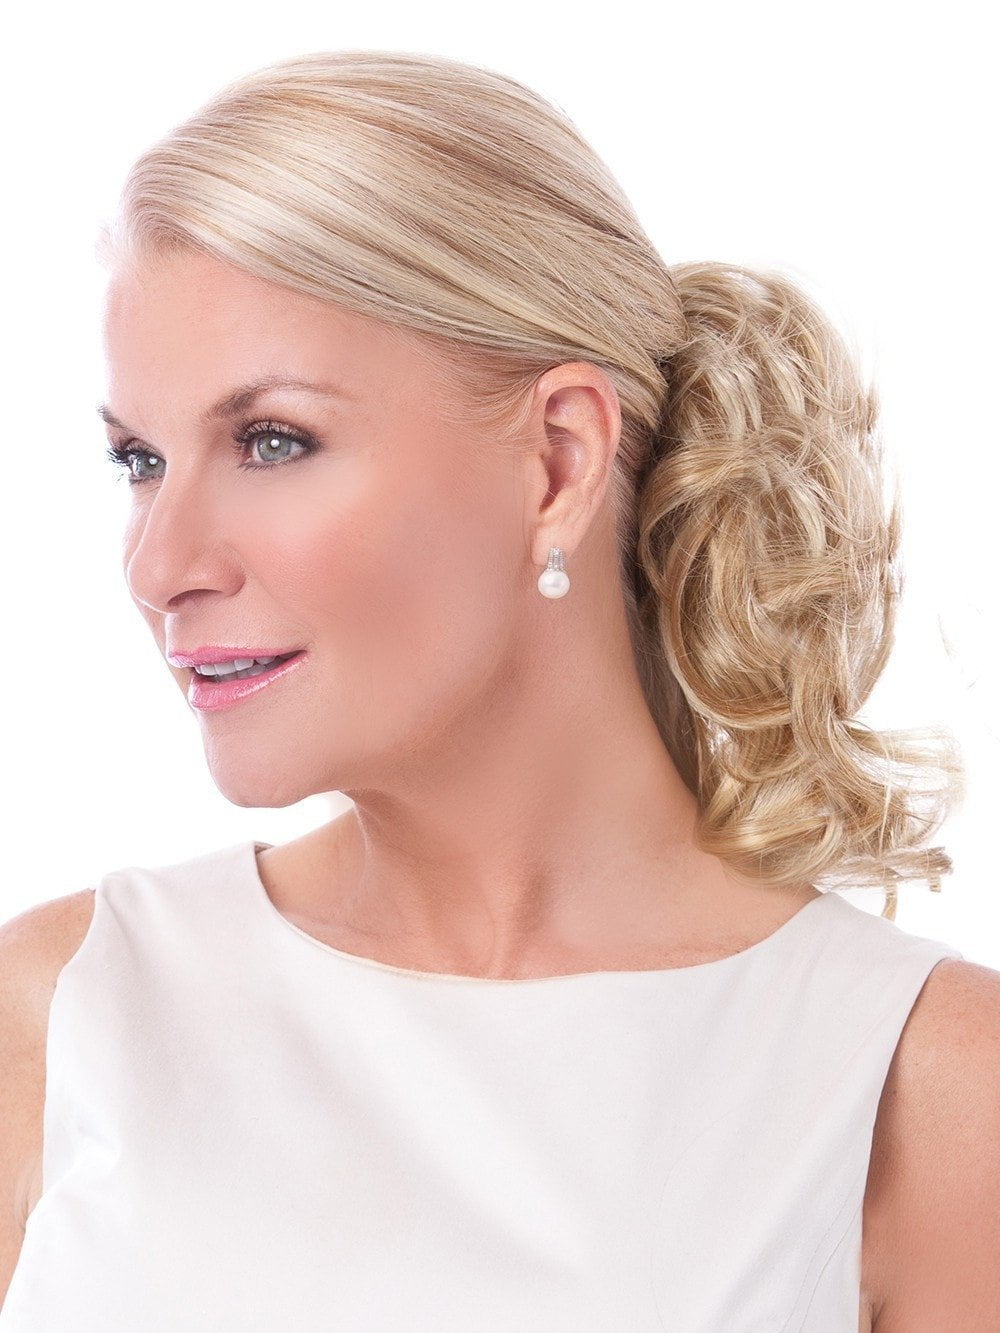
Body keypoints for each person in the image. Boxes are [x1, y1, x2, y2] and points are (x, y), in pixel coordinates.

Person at [1, 48, 997, 1331]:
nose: (160, 566)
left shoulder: (919, 1084)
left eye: (271, 441)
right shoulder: (63, 1014)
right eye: (138, 459)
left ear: (558, 461)